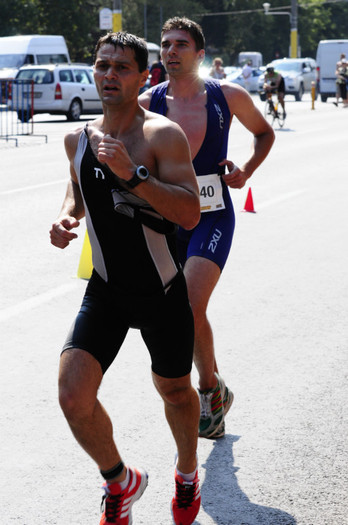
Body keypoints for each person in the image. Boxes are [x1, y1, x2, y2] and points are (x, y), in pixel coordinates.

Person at [50, 31, 202, 525]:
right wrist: (67, 217)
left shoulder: (161, 136)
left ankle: (186, 474)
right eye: (102, 65)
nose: (109, 74)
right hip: (107, 288)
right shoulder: (78, 139)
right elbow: (76, 188)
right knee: (73, 396)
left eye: (121, 68)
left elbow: (189, 214)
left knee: (175, 391)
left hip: (160, 289)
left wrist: (133, 174)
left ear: (142, 76)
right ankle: (120, 480)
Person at [139, 17, 275, 440]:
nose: (171, 51)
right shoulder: (147, 103)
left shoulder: (227, 95)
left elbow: (264, 133)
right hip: (166, 219)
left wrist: (245, 171)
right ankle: (216, 388)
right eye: (165, 44)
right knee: (184, 312)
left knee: (189, 306)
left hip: (212, 216)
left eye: (181, 44)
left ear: (200, 54)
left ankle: (206, 395)